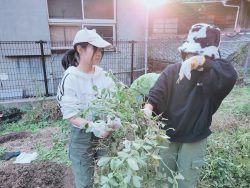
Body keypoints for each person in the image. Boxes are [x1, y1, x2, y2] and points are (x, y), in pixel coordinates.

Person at [143, 23, 237, 188]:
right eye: (189, 54)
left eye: (196, 54)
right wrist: (148, 108)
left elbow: (230, 75)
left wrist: (203, 63)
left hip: (194, 137)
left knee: (185, 182)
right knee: (162, 180)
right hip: (167, 136)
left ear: (208, 56)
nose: (190, 58)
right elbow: (156, 93)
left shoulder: (212, 76)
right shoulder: (173, 71)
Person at [57, 28, 119, 188]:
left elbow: (114, 102)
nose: (99, 53)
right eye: (95, 49)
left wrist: (113, 121)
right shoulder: (71, 78)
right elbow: (71, 115)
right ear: (80, 49)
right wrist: (93, 126)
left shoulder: (103, 75)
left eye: (101, 49)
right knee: (85, 181)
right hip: (82, 135)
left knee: (109, 175)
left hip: (106, 132)